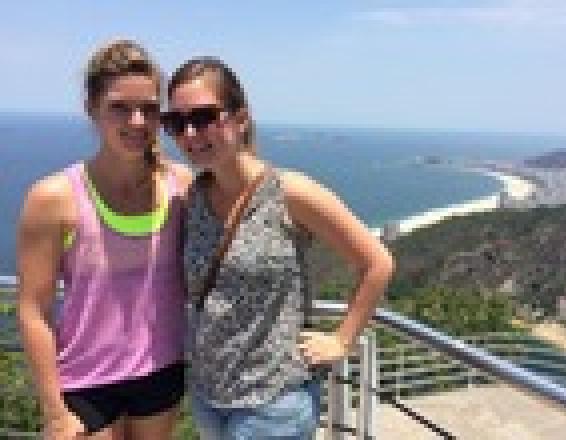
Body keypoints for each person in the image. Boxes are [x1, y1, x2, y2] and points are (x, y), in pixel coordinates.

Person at [163, 56, 395, 439]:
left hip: (273, 403)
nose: (190, 133)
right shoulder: (194, 197)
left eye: (204, 117)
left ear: (240, 118)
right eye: (177, 123)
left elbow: (377, 262)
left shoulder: (289, 193)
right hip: (208, 398)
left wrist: (341, 339)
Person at [17, 40, 191, 440]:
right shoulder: (55, 198)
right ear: (91, 108)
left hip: (160, 369)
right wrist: (54, 412)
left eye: (149, 109)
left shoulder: (180, 186)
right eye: (119, 107)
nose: (136, 121)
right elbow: (33, 310)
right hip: (85, 380)